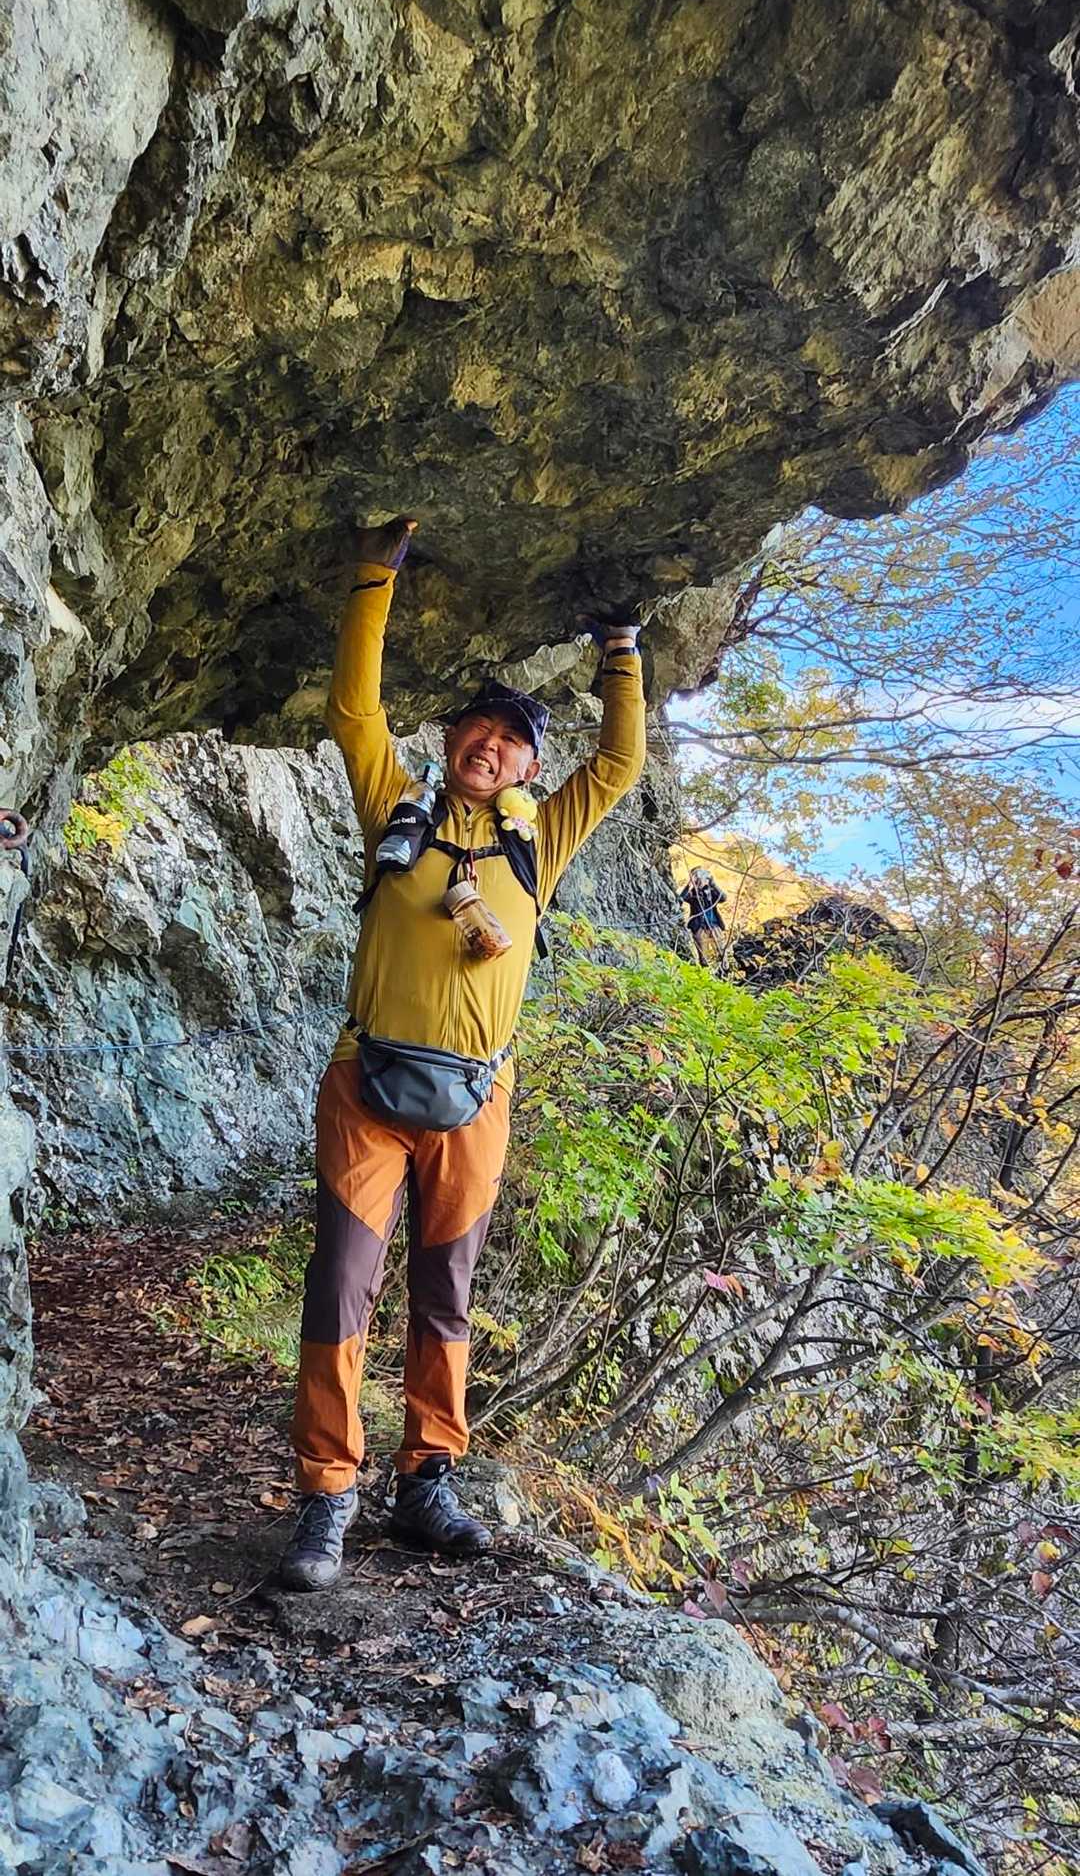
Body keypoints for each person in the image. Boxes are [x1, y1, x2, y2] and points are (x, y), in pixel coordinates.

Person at [280, 516, 646, 1589]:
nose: (489, 743)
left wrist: (620, 651)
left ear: (532, 763)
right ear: (452, 742)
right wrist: (374, 580)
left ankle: (425, 1481)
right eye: (476, 728)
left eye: (511, 738)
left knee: (445, 1296)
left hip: (478, 1098)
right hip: (366, 1081)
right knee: (340, 1288)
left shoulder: (540, 842)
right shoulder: (394, 809)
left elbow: (620, 761)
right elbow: (354, 713)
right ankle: (327, 1495)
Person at [682, 866, 727, 965]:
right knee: (703, 956)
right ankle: (705, 970)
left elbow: (723, 898)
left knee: (722, 952)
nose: (700, 878)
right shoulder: (692, 893)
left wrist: (713, 883)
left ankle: (725, 970)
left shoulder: (711, 891)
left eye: (701, 875)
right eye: (696, 875)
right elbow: (680, 900)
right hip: (699, 927)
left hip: (714, 925)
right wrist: (689, 884)